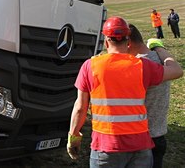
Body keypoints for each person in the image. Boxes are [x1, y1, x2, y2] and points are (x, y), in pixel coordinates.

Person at [67, 16, 183, 167]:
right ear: (128, 40)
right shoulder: (143, 66)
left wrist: (73, 138)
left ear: (106, 40)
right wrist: (158, 47)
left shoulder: (90, 66)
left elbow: (80, 108)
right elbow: (177, 71)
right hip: (140, 146)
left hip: (106, 146)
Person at [128, 25, 182, 168]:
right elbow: (175, 67)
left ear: (128, 43)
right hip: (158, 135)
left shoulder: (138, 65)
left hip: (139, 138)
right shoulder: (160, 60)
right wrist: (158, 47)